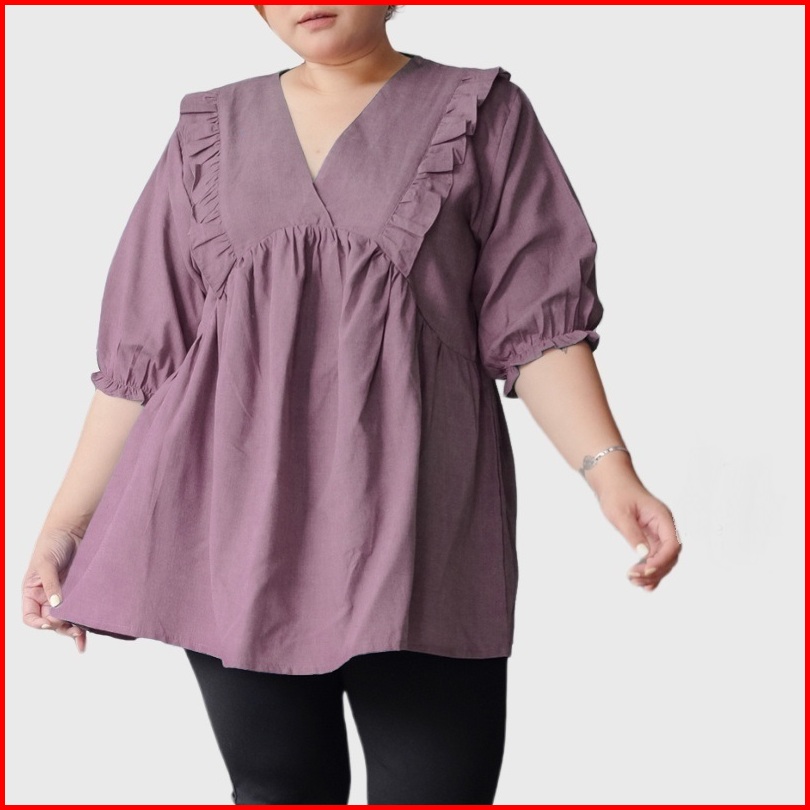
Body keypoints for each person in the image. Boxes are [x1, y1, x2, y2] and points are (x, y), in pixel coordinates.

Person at [22, 4, 683, 804]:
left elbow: (538, 328)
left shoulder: (484, 113)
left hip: (418, 529)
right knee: (278, 790)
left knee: (438, 792)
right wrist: (65, 528)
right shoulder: (209, 130)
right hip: (235, 532)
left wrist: (612, 474)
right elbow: (143, 360)